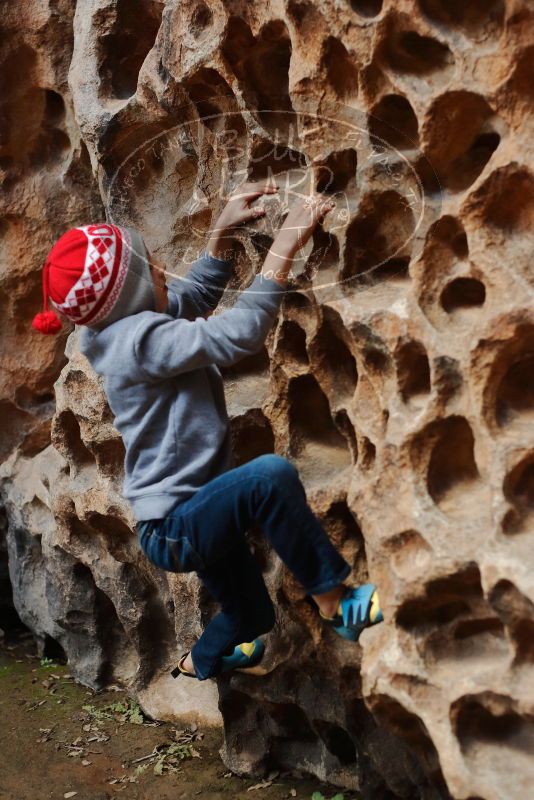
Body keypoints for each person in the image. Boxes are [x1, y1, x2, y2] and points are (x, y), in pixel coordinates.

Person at [32, 180, 383, 681]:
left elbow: (190, 298)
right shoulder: (139, 342)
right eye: (150, 266)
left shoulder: (118, 330)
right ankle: (336, 603)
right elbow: (240, 333)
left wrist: (219, 237)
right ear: (127, 297)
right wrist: (284, 246)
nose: (161, 269)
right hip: (179, 525)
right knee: (268, 478)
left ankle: (199, 660)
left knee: (251, 616)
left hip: (191, 513)